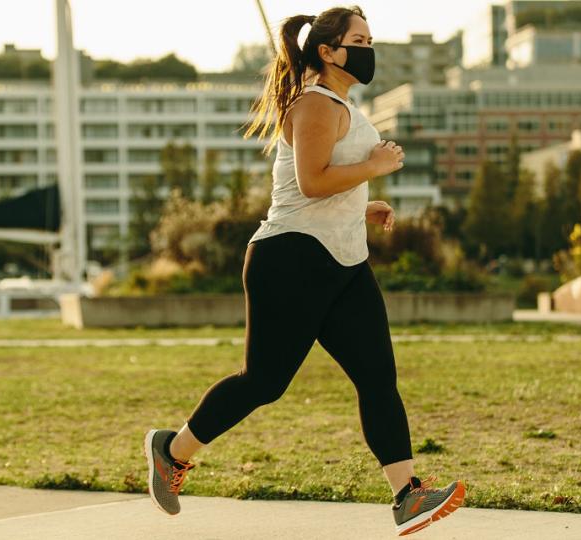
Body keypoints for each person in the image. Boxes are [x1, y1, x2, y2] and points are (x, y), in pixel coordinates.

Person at [143, 6, 465, 536]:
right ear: (328, 51)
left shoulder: (337, 102)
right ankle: (172, 452)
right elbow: (312, 183)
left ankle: (408, 496)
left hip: (342, 259)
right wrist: (375, 167)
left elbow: (319, 189)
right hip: (291, 259)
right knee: (264, 382)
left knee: (377, 377)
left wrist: (364, 204)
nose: (368, 48)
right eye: (358, 39)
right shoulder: (314, 103)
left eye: (369, 38)